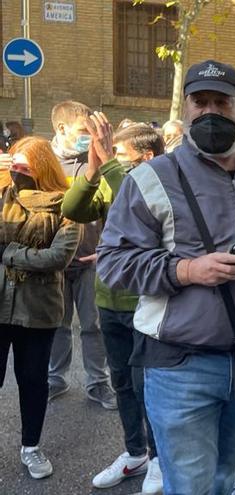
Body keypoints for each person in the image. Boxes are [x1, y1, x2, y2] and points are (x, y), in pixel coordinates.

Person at [96, 59, 235, 495]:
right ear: (184, 110)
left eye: (221, 102)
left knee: (230, 473)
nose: (209, 112)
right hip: (181, 366)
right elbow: (111, 261)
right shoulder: (150, 179)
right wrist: (186, 270)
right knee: (189, 484)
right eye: (199, 102)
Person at [62, 117, 165, 493]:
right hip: (109, 298)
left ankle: (158, 459)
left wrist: (107, 164)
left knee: (146, 385)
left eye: (120, 154)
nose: (111, 158)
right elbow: (72, 209)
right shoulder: (110, 177)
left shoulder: (161, 183)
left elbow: (138, 208)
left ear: (147, 156)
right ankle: (134, 452)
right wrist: (92, 169)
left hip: (145, 301)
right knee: (121, 381)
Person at [0, 137, 82, 479]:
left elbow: (58, 257)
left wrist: (9, 253)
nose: (19, 174)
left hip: (40, 308)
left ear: (43, 168)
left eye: (25, 167)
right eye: (13, 166)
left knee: (33, 380)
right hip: (0, 303)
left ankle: (31, 447)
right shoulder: (4, 197)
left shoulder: (68, 206)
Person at [48, 100, 115, 409]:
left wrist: (105, 249)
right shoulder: (43, 163)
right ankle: (56, 378)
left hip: (91, 259)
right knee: (57, 324)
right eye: (81, 130)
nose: (89, 136)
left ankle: (98, 383)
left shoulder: (97, 162)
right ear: (61, 129)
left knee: (93, 325)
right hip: (54, 264)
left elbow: (113, 212)